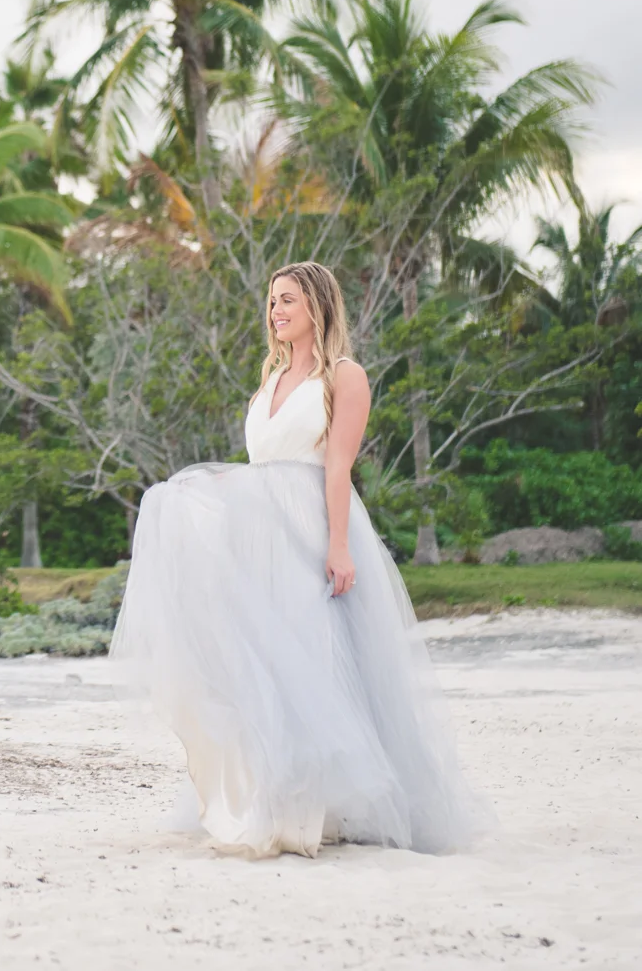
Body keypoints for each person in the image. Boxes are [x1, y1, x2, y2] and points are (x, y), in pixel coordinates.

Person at [111, 261, 485, 858]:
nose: (275, 311)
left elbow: (337, 467)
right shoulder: (271, 377)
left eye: (287, 299)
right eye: (271, 301)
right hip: (257, 538)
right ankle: (271, 798)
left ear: (317, 304)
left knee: (317, 662)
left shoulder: (344, 376)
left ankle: (320, 809)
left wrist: (337, 545)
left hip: (311, 529)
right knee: (266, 668)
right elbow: (260, 469)